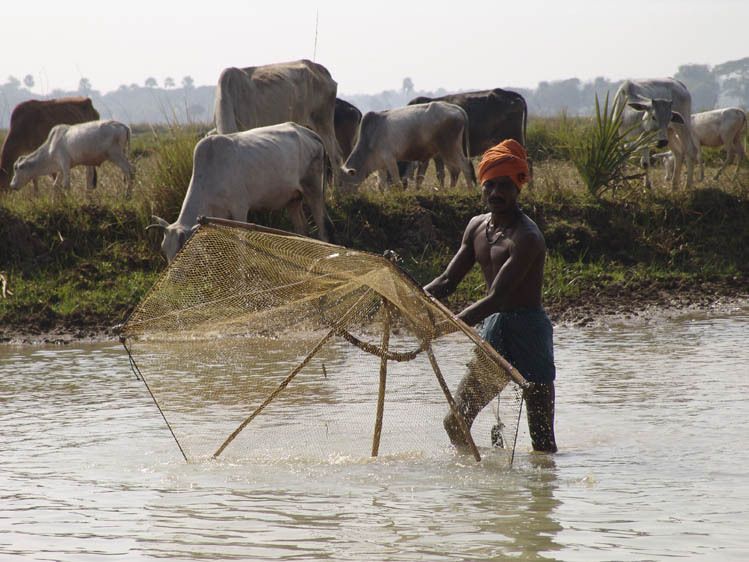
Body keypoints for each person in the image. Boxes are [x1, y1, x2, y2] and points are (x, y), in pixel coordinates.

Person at [424, 139, 557, 453]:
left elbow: (498, 297)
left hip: (529, 333)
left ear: (518, 188)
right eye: (490, 186)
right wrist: (413, 299)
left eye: (505, 186)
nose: (496, 193)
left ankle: (538, 495)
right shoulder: (476, 227)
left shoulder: (527, 237)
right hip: (495, 330)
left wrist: (447, 326)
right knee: (455, 421)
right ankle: (480, 481)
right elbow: (446, 281)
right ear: (481, 187)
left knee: (541, 440)